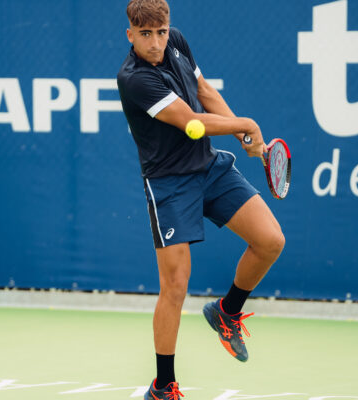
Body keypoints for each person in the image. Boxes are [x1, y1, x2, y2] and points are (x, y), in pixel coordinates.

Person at [117, 0, 285, 398]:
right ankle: (164, 386)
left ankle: (226, 311)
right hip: (170, 185)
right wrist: (244, 124)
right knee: (175, 285)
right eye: (146, 35)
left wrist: (242, 135)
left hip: (209, 169)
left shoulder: (176, 41)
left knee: (269, 241)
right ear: (130, 35)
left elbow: (203, 91)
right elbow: (192, 122)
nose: (156, 43)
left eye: (161, 32)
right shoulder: (134, 78)